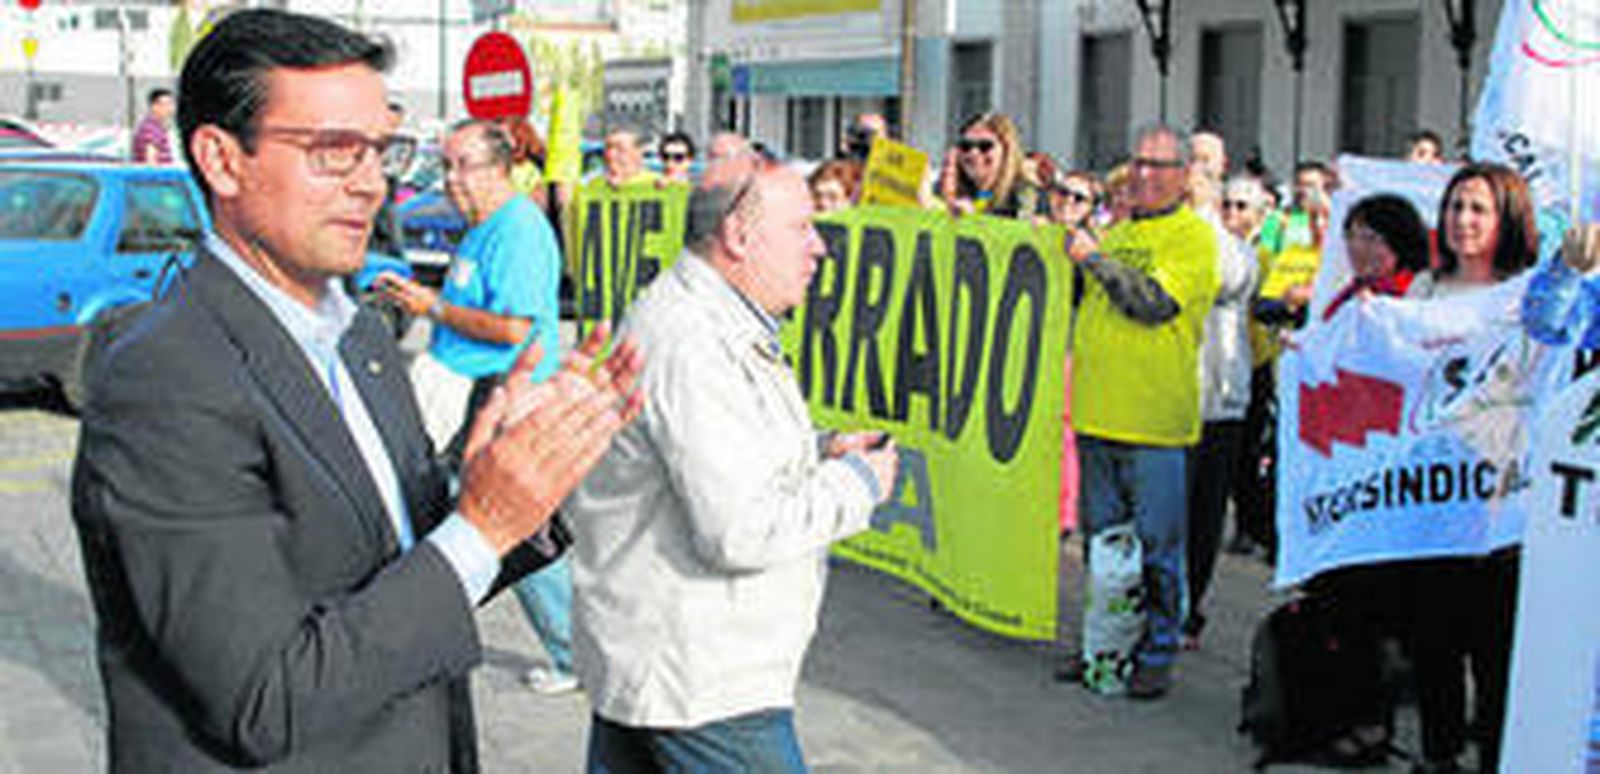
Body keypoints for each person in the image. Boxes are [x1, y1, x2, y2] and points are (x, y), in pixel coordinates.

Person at [69, 10, 642, 771]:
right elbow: (265, 698)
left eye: (381, 149)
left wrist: (515, 487)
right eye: (333, 151)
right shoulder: (165, 376)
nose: (373, 183)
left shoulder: (363, 337)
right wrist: (479, 526)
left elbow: (406, 580)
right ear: (221, 159)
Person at [564, 151, 900, 771]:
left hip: (668, 666)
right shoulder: (694, 341)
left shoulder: (708, 321)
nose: (818, 247)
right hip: (703, 684)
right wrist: (857, 483)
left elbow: (713, 453)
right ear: (739, 237)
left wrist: (820, 447)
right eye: (800, 228)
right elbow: (740, 531)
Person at [1065, 124, 1219, 698]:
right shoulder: (1118, 230)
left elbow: (1152, 304)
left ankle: (1157, 649)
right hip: (1097, 415)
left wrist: (1094, 261)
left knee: (1157, 550)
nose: (1145, 174)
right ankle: (1105, 649)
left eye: (1159, 165)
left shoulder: (1193, 237)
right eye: (1138, 163)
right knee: (1104, 553)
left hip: (1153, 423)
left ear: (1183, 176)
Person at [1403, 162, 1539, 774]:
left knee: (1496, 648)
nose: (1463, 220)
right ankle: (1439, 754)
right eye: (1456, 206)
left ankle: (1496, 755)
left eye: (1478, 209)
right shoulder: (1424, 292)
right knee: (1432, 638)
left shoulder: (1530, 296)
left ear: (1505, 216)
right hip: (1431, 498)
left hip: (1503, 501)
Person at [1183, 168, 1258, 651]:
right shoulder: (1173, 236)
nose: (1229, 213)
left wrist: (1204, 217)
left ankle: (1190, 605)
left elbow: (1224, 279)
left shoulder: (1240, 253)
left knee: (1205, 512)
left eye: (1237, 206)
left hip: (1221, 403)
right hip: (1170, 398)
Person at [938, 112, 1047, 219]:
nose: (973, 153)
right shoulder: (951, 188)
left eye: (985, 146)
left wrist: (972, 221)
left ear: (1006, 150)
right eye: (966, 146)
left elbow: (1023, 232)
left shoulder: (1026, 193)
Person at [131, 87, 176, 165]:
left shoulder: (158, 127)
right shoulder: (150, 128)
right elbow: (150, 159)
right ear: (154, 106)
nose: (170, 108)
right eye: (165, 104)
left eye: (171, 104)